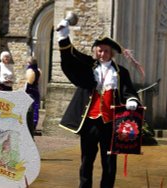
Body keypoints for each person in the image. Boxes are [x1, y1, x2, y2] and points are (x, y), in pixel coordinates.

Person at [56, 19, 142, 188]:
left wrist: (132, 100)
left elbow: (129, 90)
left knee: (109, 163)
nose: (103, 54)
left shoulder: (121, 72)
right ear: (96, 51)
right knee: (86, 160)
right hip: (90, 122)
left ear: (112, 53)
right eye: (100, 50)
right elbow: (71, 58)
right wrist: (63, 37)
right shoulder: (89, 65)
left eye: (106, 51)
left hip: (111, 124)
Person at [25, 56, 42, 137]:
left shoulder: (30, 70)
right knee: (36, 108)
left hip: (30, 91)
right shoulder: (38, 70)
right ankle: (34, 125)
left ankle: (30, 126)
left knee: (30, 109)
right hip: (36, 90)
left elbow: (29, 82)